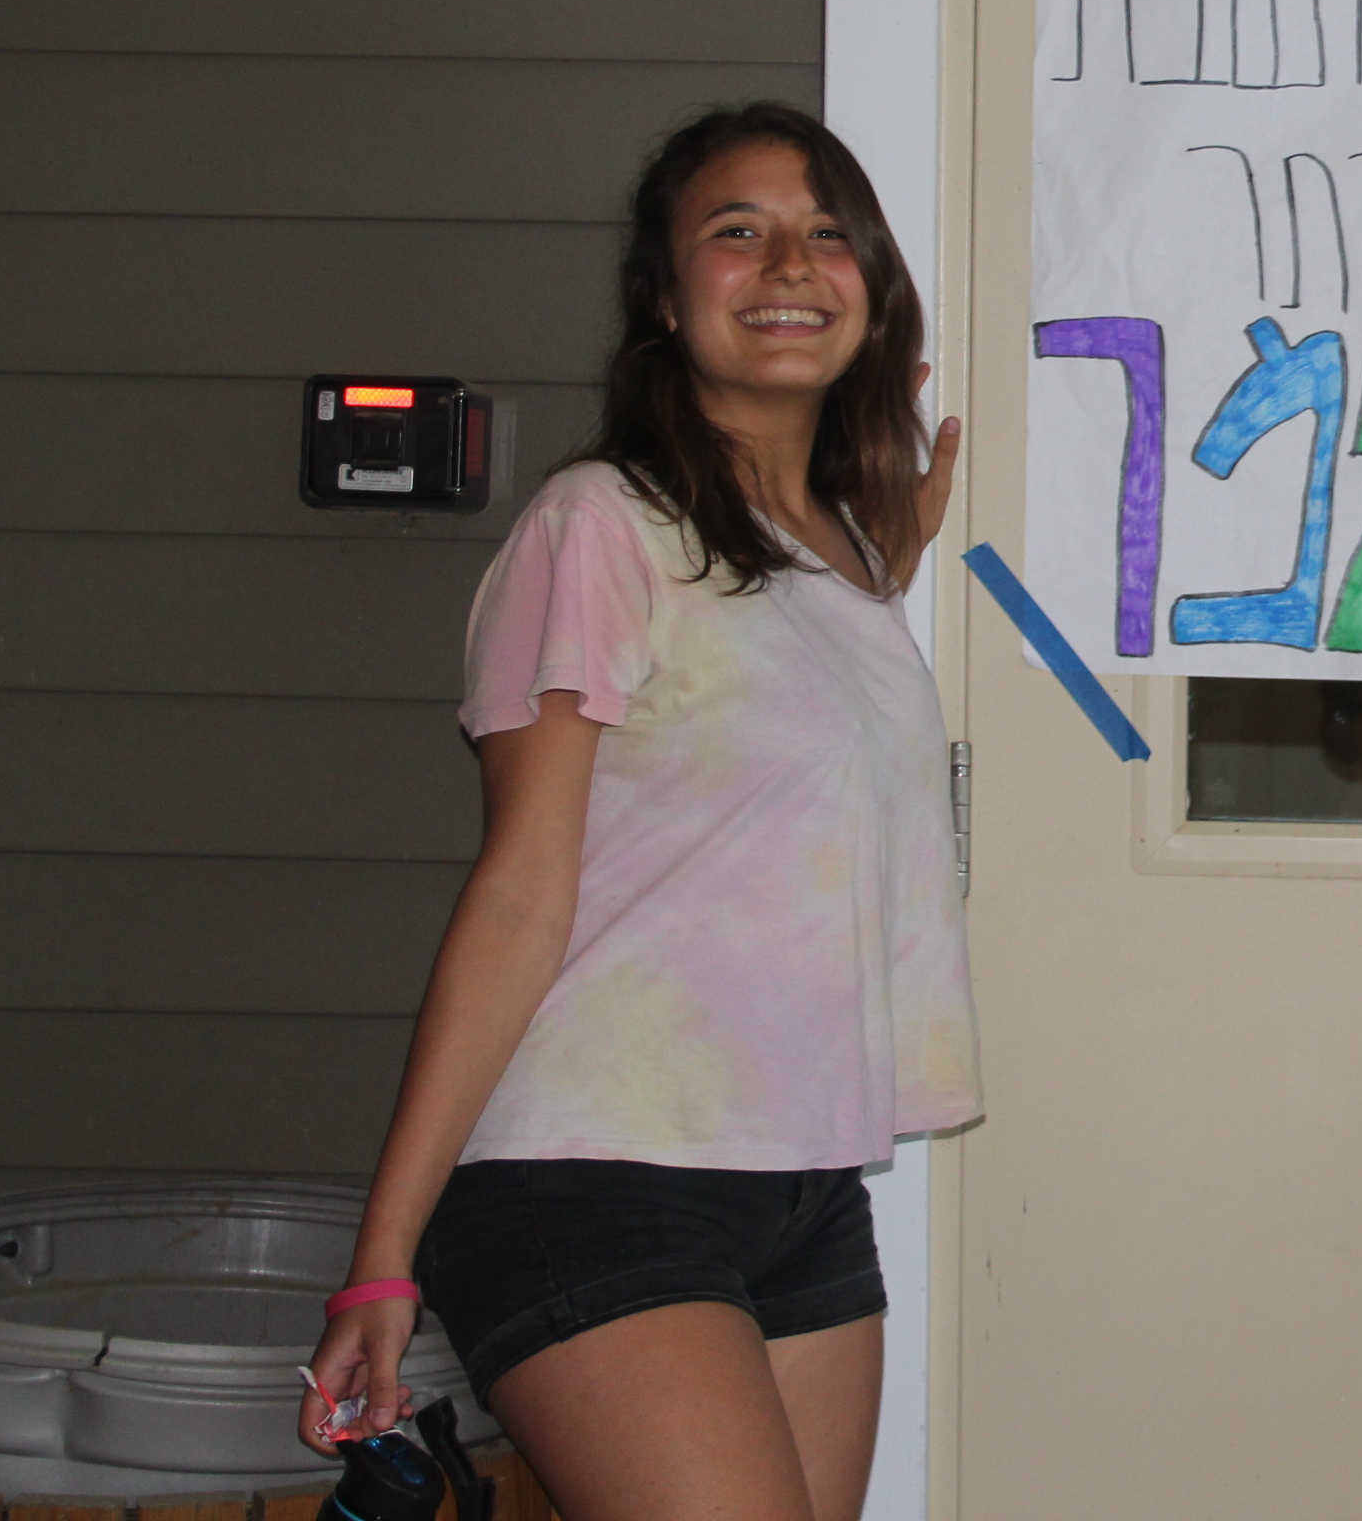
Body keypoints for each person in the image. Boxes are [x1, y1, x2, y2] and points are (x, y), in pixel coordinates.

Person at [298, 102, 975, 1521]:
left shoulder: (839, 560)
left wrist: (878, 566)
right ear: (665, 299)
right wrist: (383, 1259)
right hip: (591, 1178)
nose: (788, 263)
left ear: (871, 288)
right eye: (737, 231)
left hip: (801, 1183)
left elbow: (762, 771)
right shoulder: (596, 526)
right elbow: (520, 893)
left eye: (827, 232)